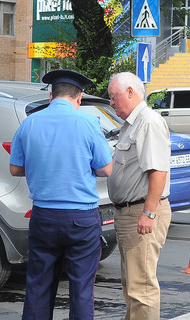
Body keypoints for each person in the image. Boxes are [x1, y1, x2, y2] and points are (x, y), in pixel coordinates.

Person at [9, 69, 113, 320]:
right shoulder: (88, 123)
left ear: (50, 96)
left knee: (38, 284)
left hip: (43, 216)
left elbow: (14, 169)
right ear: (79, 98)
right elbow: (106, 169)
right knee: (81, 287)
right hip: (81, 218)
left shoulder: (30, 123)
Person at [107, 72, 172, 320]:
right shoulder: (133, 124)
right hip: (130, 212)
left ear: (131, 93)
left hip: (139, 212)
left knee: (141, 288)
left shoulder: (148, 122)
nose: (111, 102)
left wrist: (149, 212)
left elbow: (158, 171)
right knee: (133, 286)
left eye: (114, 97)